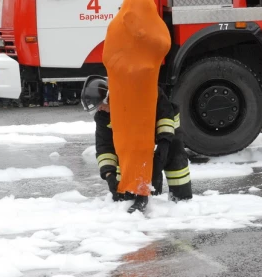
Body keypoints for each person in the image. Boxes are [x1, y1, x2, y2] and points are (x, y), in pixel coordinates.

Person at [82, 76, 192, 213]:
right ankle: (130, 197)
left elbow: (166, 119)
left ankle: (182, 204)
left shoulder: (143, 94)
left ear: (109, 97)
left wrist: (162, 151)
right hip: (137, 148)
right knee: (122, 171)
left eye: (101, 106)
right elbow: (104, 148)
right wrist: (109, 175)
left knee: (176, 162)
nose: (100, 110)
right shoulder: (103, 117)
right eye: (97, 109)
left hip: (167, 138)